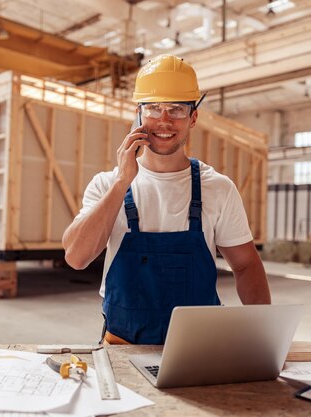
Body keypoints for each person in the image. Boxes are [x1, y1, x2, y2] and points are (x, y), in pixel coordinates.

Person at [62, 54, 271, 345]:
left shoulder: (218, 188)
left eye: (176, 110)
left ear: (193, 117)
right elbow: (76, 257)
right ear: (138, 114)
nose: (164, 121)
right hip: (122, 345)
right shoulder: (107, 184)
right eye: (154, 109)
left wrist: (265, 335)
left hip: (199, 347)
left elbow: (246, 265)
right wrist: (123, 180)